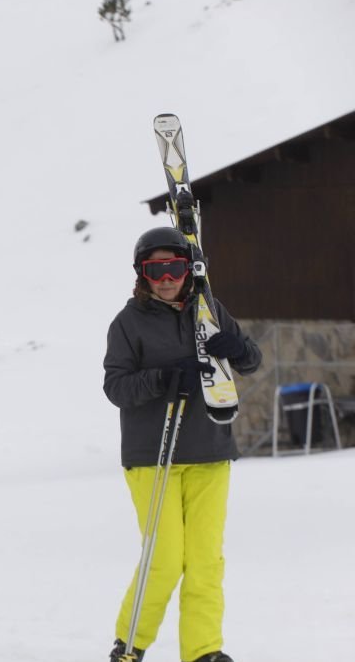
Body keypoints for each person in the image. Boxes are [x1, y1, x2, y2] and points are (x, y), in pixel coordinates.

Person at [102, 227, 261, 662]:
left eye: (173, 266)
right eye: (156, 269)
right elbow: (115, 387)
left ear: (187, 269)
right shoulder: (127, 324)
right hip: (154, 456)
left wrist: (236, 348)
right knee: (166, 558)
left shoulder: (209, 310)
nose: (166, 277)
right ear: (142, 274)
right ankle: (130, 642)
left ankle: (204, 650)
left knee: (207, 561)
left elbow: (251, 360)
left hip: (210, 449)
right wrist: (167, 378)